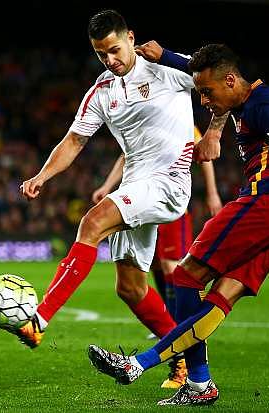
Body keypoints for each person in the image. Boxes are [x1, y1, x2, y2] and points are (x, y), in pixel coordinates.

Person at [87, 43, 269, 406]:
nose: (203, 101)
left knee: (185, 277)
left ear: (231, 81)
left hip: (267, 202)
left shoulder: (263, 106)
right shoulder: (245, 98)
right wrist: (167, 57)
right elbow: (200, 69)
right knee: (221, 297)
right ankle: (197, 386)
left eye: (207, 93)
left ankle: (150, 368)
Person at [14, 8, 227, 368]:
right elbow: (74, 141)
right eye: (101, 54)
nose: (110, 60)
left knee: (92, 222)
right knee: (129, 288)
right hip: (136, 183)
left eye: (114, 50)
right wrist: (41, 176)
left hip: (168, 183)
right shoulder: (101, 91)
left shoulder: (166, 68)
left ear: (130, 38)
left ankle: (40, 318)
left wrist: (214, 132)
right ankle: (184, 362)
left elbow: (224, 82)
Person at [91, 125, 222, 388]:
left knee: (172, 266)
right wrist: (108, 185)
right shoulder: (144, 115)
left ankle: (181, 340)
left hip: (169, 200)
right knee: (151, 270)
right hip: (141, 200)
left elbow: (204, 158)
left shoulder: (182, 119)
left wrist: (212, 193)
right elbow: (126, 154)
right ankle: (171, 328)